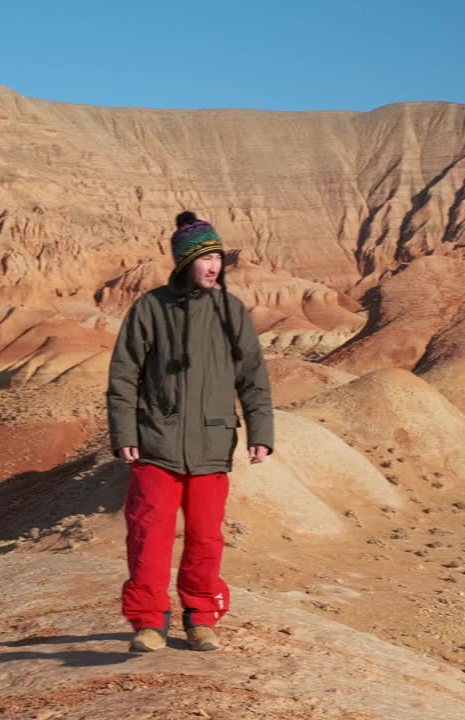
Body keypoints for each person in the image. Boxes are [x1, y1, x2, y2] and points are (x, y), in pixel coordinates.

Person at [106, 211, 275, 653]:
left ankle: (201, 619)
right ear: (185, 263)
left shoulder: (231, 311)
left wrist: (261, 431)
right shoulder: (150, 308)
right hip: (155, 444)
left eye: (217, 257)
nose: (213, 265)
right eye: (204, 258)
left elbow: (253, 377)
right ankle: (147, 623)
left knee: (205, 539)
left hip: (212, 444)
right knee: (148, 536)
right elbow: (124, 375)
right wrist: (124, 432)